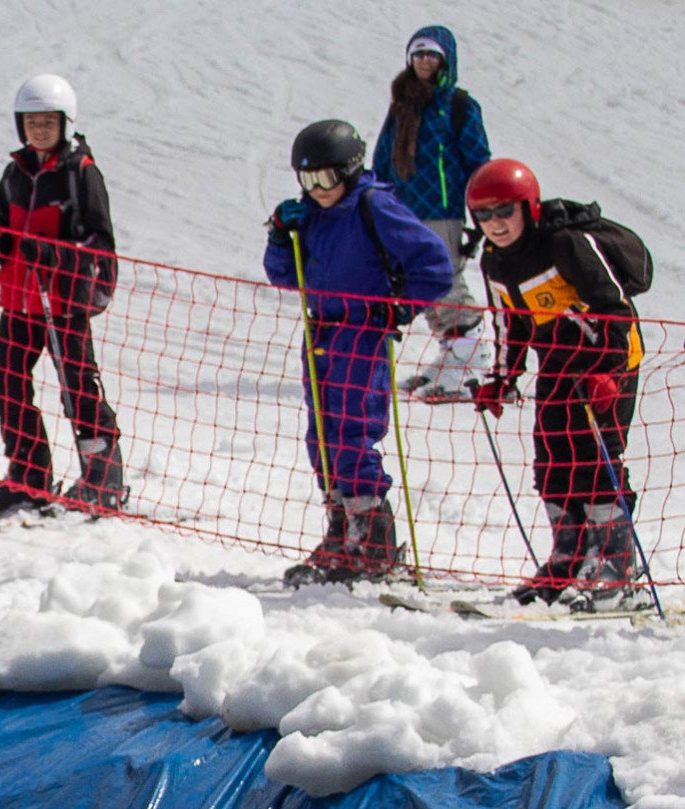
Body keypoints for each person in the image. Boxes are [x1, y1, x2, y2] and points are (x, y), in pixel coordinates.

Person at [264, 119, 454, 586]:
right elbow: (285, 276)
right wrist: (280, 235)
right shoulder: (310, 214)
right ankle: (340, 530)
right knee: (322, 436)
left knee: (353, 431)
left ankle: (372, 540)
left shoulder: (374, 205)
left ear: (349, 170)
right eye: (307, 179)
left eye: (326, 178)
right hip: (321, 333)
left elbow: (434, 266)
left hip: (362, 332)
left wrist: (399, 308)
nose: (317, 189)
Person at [466, 159, 651, 607]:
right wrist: (502, 378)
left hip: (606, 364)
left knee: (594, 458)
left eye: (505, 211)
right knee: (551, 460)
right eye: (484, 215)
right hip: (557, 365)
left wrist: (608, 370)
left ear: (528, 207)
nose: (496, 223)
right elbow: (511, 323)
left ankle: (615, 569)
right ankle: (568, 562)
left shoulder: (564, 244)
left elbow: (615, 307)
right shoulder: (495, 261)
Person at [0, 71, 124, 516]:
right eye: (31, 122)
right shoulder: (15, 173)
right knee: (9, 384)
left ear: (65, 124)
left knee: (78, 388)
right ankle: (28, 476)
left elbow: (100, 245)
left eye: (48, 122)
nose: (39, 130)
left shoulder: (80, 174)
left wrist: (55, 255)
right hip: (18, 299)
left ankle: (103, 479)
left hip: (63, 302)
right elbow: (3, 225)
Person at [371, 25, 493, 402]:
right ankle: (450, 353)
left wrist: (481, 214)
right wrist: (376, 201)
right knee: (418, 282)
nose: (424, 61)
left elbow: (477, 159)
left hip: (442, 209)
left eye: (432, 55)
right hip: (404, 209)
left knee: (445, 279)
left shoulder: (459, 106)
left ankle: (471, 361)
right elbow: (384, 156)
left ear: (446, 60)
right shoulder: (402, 104)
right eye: (418, 54)